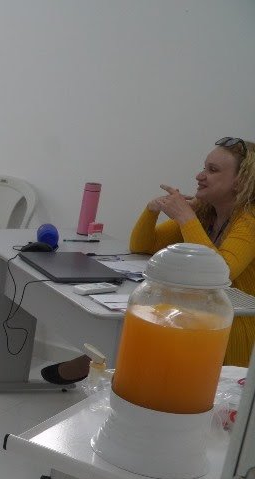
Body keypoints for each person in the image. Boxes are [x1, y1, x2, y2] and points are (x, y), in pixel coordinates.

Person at [43, 136, 255, 382]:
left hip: (236, 322)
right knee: (143, 313)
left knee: (152, 320)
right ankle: (103, 364)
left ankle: (101, 366)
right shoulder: (207, 213)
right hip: (206, 312)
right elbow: (143, 245)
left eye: (213, 170)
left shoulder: (249, 221)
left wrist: (186, 218)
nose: (200, 175)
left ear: (240, 182)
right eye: (203, 167)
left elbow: (221, 271)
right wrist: (152, 209)